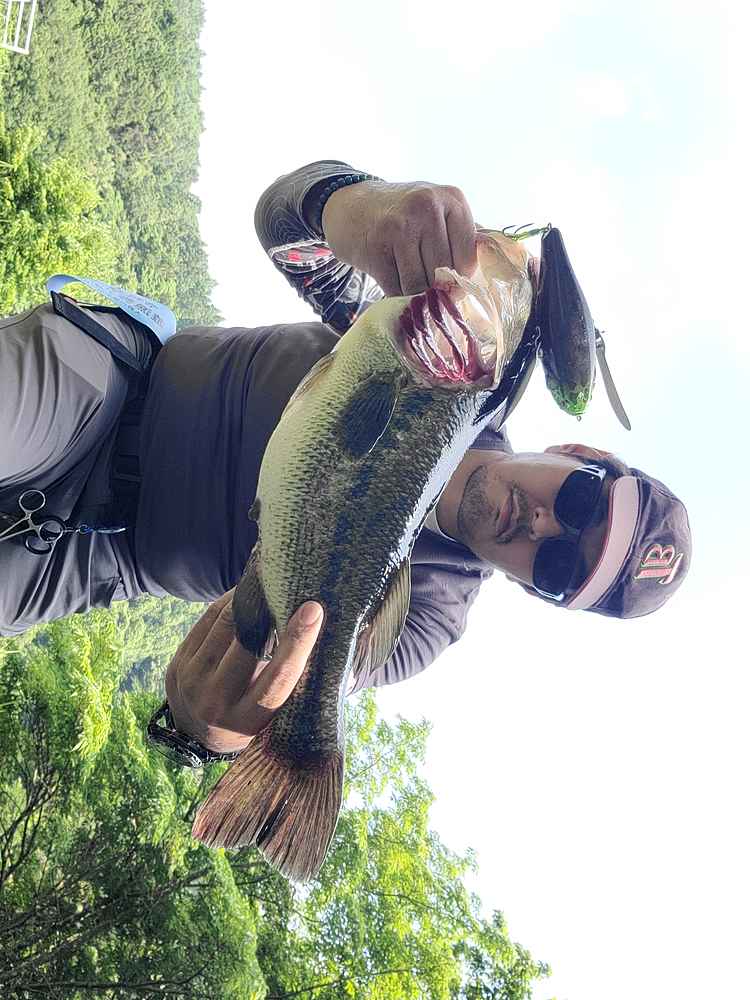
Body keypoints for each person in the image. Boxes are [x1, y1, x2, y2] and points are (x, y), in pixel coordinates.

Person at [0, 160, 691, 768]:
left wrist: (212, 732)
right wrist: (360, 207)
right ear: (581, 454)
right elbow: (281, 217)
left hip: (89, 562)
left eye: (560, 568)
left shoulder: (426, 621)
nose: (544, 526)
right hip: (102, 391)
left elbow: (286, 682)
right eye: (580, 504)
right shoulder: (435, 349)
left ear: (537, 593)